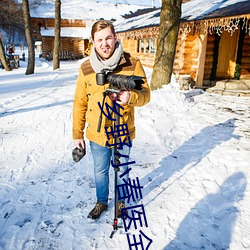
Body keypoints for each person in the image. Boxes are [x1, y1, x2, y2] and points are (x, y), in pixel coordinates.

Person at [72, 20, 150, 220]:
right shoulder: (86, 68)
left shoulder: (132, 63)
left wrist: (130, 97)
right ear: (93, 42)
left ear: (115, 38)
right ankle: (101, 201)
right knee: (100, 171)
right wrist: (77, 134)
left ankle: (121, 201)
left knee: (122, 169)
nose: (104, 43)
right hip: (97, 134)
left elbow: (146, 95)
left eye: (108, 38)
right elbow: (80, 102)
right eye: (99, 40)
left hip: (123, 130)